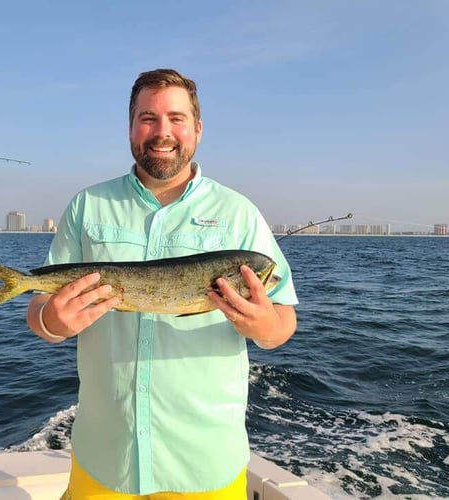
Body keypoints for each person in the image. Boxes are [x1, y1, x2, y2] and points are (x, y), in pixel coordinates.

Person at [26, 68, 298, 499]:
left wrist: (261, 324)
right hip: (104, 458)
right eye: (148, 118)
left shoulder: (239, 212)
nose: (162, 131)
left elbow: (282, 323)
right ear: (131, 126)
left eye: (176, 118)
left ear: (198, 129)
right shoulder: (87, 205)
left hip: (205, 462)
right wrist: (53, 323)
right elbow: (39, 314)